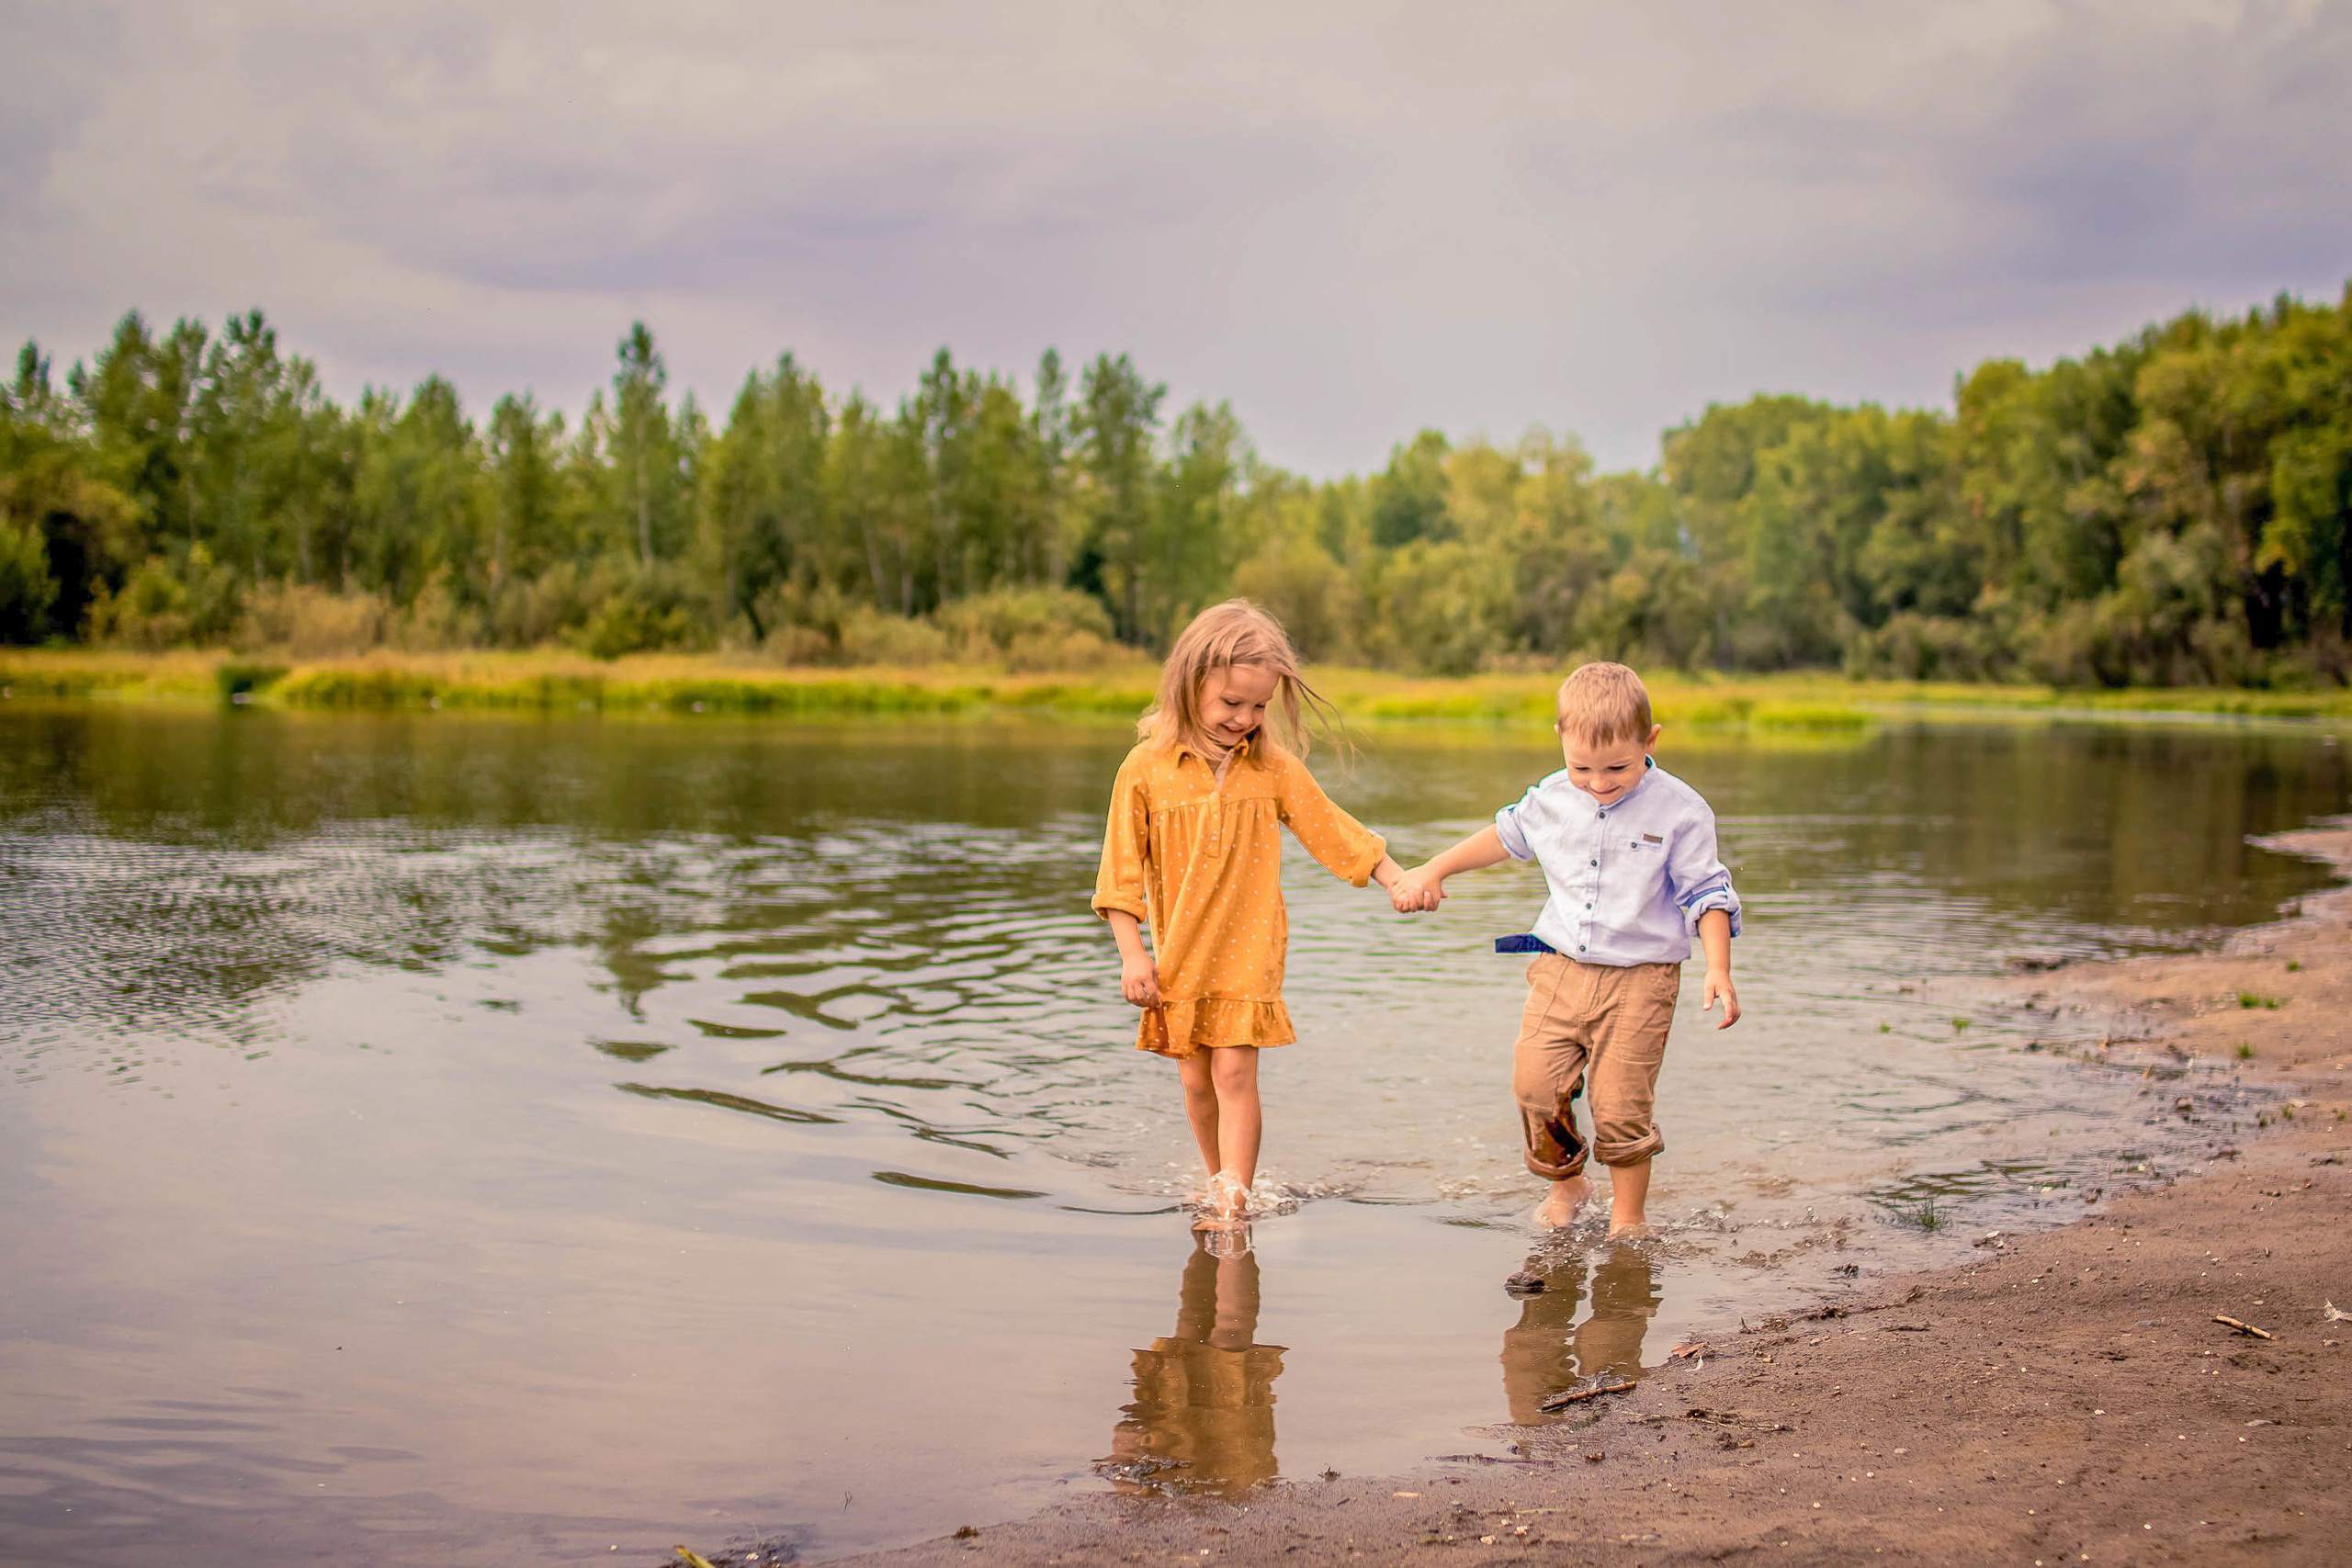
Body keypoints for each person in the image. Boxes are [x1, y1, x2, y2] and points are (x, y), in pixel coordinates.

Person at [1389, 661, 1741, 1236]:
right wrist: (1434, 867)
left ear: (1649, 741)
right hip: (1559, 970)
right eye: (1582, 767)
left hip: (1643, 978)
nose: (1599, 782)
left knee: (1621, 1103)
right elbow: (1503, 836)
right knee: (1535, 1085)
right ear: (1561, 740)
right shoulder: (1552, 798)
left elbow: (1709, 893)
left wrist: (1718, 968)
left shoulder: (1681, 810)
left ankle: (1628, 1220)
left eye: (1617, 768)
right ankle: (1568, 1183)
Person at [1093, 600, 1408, 1224]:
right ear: (1190, 684)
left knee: (1235, 1070)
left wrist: (1395, 876)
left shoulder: (1272, 769)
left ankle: (1234, 1197)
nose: (1246, 718)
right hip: (1179, 953)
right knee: (1195, 1080)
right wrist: (1134, 954)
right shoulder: (1145, 770)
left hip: (1249, 949)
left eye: (1259, 706)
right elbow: (1118, 874)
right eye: (1232, 703)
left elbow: (1332, 830)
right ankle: (1217, 1177)